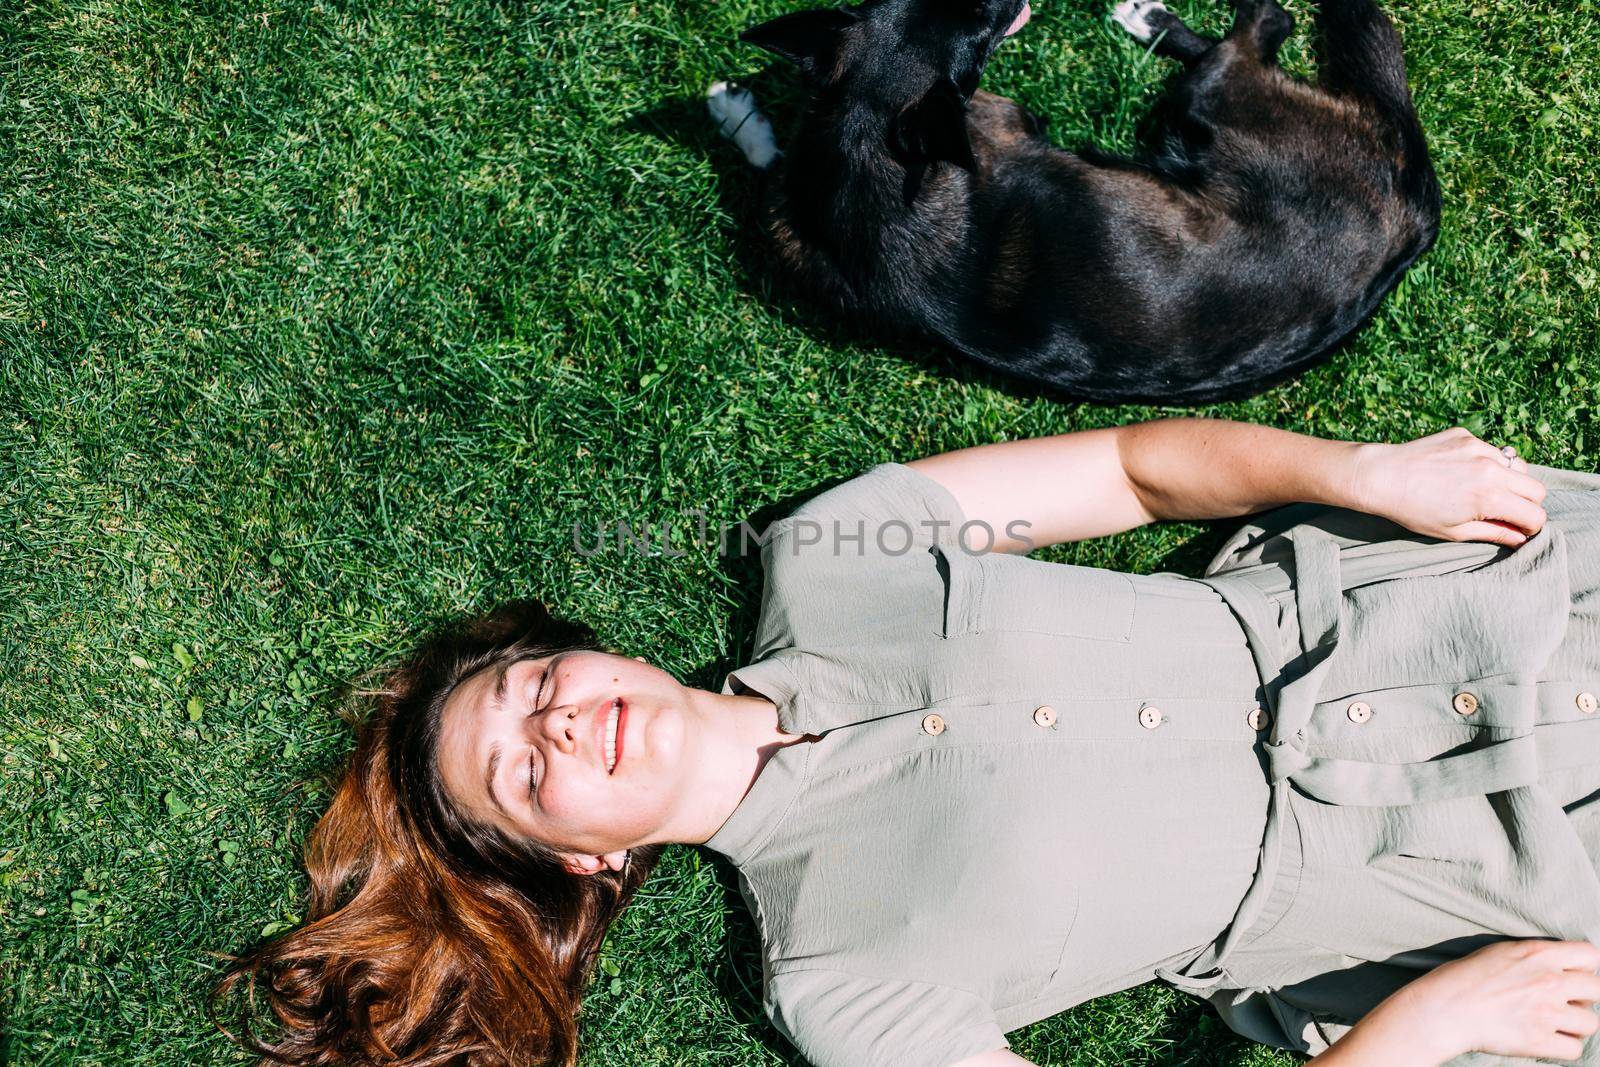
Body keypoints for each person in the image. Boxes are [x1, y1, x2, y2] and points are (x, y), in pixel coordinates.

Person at [214, 418, 1600, 1067]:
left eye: (530, 684)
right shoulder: (841, 986)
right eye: (528, 769)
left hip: (1467, 613)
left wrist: (1356, 473)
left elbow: (1130, 471)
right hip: (1462, 880)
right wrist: (1436, 1026)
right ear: (586, 858)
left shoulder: (826, 551)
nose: (560, 718)